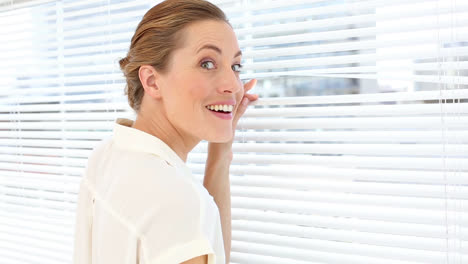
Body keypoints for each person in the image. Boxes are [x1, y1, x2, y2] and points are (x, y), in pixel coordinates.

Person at [72, 0, 258, 263]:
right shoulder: (178, 200)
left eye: (235, 66)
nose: (233, 85)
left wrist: (220, 152)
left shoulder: (107, 155)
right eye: (207, 63)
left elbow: (211, 251)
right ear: (152, 81)